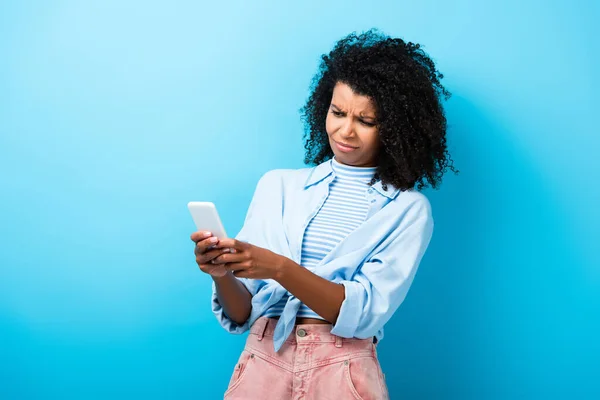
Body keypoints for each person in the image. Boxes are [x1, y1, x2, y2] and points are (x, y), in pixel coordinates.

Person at [190, 28, 456, 400]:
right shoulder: (278, 186)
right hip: (263, 360)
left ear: (395, 129)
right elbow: (240, 314)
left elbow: (363, 315)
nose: (345, 130)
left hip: (342, 369)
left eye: (366, 121)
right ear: (323, 107)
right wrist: (221, 274)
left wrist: (279, 268)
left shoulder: (407, 210)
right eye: (338, 112)